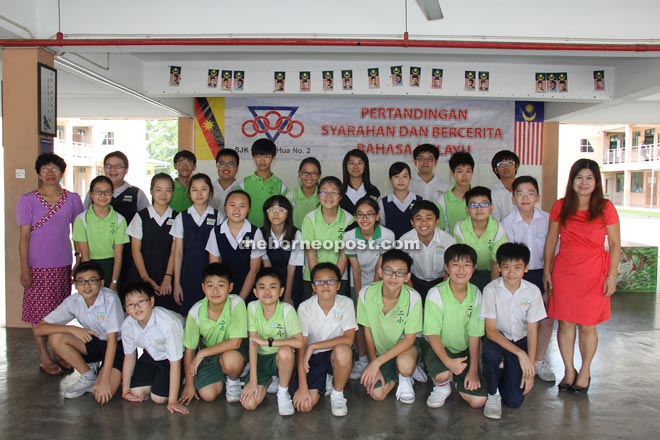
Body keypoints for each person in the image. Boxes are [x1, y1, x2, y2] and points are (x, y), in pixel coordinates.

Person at [543, 159, 621, 395]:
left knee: (587, 326)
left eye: (589, 178)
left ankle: (585, 371)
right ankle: (569, 370)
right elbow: (551, 240)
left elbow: (616, 245)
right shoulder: (560, 206)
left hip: (594, 273)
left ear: (596, 182)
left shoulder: (606, 207)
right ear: (572, 180)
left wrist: (612, 276)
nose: (583, 182)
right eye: (579, 177)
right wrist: (547, 270)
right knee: (565, 323)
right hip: (565, 271)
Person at [17, 153, 84, 375]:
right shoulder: (27, 200)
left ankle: (58, 352)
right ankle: (44, 357)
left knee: (60, 313)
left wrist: (79, 259)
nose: (50, 173)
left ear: (62, 172)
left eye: (54, 169)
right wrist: (24, 269)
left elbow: (79, 232)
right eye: (45, 169)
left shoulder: (73, 199)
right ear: (38, 173)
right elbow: (24, 236)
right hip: (36, 267)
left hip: (63, 265)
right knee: (39, 314)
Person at [34, 261, 124, 402]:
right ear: (75, 284)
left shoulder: (110, 299)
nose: (86, 286)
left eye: (92, 281)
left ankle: (104, 372)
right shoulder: (73, 301)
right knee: (56, 337)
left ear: (101, 283)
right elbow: (39, 329)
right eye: (81, 281)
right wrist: (72, 328)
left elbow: (112, 342)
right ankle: (88, 376)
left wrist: (105, 379)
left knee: (101, 396)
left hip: (117, 347)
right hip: (95, 342)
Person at [480, 243, 546, 419]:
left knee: (514, 401)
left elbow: (533, 330)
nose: (511, 273)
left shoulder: (533, 291)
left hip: (521, 340)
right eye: (506, 267)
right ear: (499, 268)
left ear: (526, 268)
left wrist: (529, 369)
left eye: (517, 267)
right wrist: (520, 355)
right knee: (490, 353)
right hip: (498, 339)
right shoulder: (491, 290)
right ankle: (493, 394)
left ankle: (502, 371)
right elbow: (491, 331)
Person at [501, 176, 555, 382]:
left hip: (543, 273)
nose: (525, 198)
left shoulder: (548, 219)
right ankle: (513, 357)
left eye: (530, 193)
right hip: (516, 275)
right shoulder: (506, 223)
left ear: (537, 196)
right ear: (513, 197)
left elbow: (555, 251)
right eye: (520, 193)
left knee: (546, 320)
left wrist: (549, 280)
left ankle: (539, 361)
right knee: (517, 319)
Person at [422, 244, 487, 410]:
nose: (461, 269)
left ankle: (456, 379)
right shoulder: (436, 293)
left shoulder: (476, 294)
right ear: (446, 268)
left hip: (462, 351)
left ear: (473, 268)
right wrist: (447, 362)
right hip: (438, 348)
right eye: (455, 264)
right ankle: (442, 385)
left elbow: (474, 334)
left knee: (478, 401)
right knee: (444, 373)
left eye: (466, 265)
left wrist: (473, 369)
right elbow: (433, 334)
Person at [356, 250, 423, 404]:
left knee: (405, 364)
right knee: (377, 394)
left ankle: (406, 375)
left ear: (407, 277)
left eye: (400, 273)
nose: (393, 277)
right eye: (389, 271)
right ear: (380, 272)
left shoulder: (413, 298)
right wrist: (375, 363)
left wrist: (376, 363)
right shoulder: (365, 294)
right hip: (382, 353)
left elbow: (409, 339)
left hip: (405, 348)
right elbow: (368, 333)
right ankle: (398, 371)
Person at [340, 197, 395, 379]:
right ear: (355, 218)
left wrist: (372, 294)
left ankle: (380, 357)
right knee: (359, 321)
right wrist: (359, 298)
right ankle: (362, 359)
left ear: (377, 216)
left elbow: (381, 266)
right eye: (360, 215)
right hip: (357, 282)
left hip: (380, 281)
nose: (365, 219)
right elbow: (354, 268)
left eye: (369, 214)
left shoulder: (387, 235)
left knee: (376, 321)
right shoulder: (349, 236)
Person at [293, 263, 357, 416]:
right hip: (312, 358)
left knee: (343, 351)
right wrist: (302, 387)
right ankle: (326, 379)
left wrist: (313, 346)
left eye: (331, 281)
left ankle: (337, 394)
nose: (325, 285)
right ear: (313, 287)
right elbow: (301, 347)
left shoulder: (346, 303)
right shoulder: (304, 307)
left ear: (338, 285)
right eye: (319, 282)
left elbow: (349, 339)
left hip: (334, 354)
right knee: (305, 405)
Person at [179, 263, 247, 404]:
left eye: (221, 285)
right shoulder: (195, 312)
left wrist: (202, 353)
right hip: (211, 353)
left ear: (230, 287)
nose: (215, 290)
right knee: (208, 395)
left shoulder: (236, 303)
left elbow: (236, 342)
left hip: (233, 350)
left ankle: (233, 379)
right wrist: (189, 384)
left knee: (231, 360)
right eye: (210, 286)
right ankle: (222, 373)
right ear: (203, 288)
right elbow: (190, 350)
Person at [240, 268, 304, 416]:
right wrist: (253, 380)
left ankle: (282, 392)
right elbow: (253, 342)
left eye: (272, 287)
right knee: (249, 404)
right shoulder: (252, 307)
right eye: (262, 287)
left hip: (280, 359)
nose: (267, 291)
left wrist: (268, 342)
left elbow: (299, 342)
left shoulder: (287, 310)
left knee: (286, 351)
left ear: (281, 291)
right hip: (261, 359)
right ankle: (269, 379)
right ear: (255, 292)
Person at [84, 151, 149, 291]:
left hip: (129, 255)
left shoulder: (136, 194)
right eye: (108, 166)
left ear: (126, 170)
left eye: (118, 166)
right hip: (98, 254)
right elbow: (83, 224)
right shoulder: (92, 194)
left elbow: (147, 224)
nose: (113, 170)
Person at [121, 282, 188, 414]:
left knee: (158, 398)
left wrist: (172, 401)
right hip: (152, 353)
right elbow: (129, 357)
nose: (137, 308)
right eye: (131, 304)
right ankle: (158, 379)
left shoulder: (168, 323)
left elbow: (175, 363)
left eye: (141, 302)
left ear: (151, 301)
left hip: (176, 356)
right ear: (126, 309)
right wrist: (125, 390)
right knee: (136, 392)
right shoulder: (127, 325)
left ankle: (181, 377)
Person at [126, 173, 179, 312]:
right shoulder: (141, 216)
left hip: (166, 273)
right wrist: (145, 277)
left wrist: (168, 278)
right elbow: (135, 250)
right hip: (141, 272)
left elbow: (175, 250)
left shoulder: (177, 217)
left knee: (165, 314)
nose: (163, 194)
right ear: (151, 191)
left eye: (168, 190)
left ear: (173, 193)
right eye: (158, 189)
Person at [171, 173, 219, 315]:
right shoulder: (181, 217)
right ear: (189, 193)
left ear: (210, 192)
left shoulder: (219, 216)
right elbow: (178, 252)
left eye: (203, 189)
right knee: (189, 315)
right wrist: (177, 283)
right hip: (187, 275)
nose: (199, 194)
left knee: (210, 315)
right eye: (194, 189)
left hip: (211, 276)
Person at [207, 190, 267, 303]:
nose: (236, 210)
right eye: (232, 205)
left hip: (249, 288)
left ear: (249, 209)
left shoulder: (255, 233)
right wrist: (222, 294)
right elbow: (214, 268)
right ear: (225, 207)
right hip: (223, 288)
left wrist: (240, 300)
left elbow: (254, 270)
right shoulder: (215, 232)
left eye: (242, 206)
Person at [73, 176, 130, 290]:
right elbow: (85, 256)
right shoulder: (81, 219)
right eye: (98, 192)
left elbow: (118, 255)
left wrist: (114, 282)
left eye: (107, 192)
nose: (103, 195)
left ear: (112, 194)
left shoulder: (119, 220)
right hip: (90, 264)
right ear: (91, 194)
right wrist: (89, 280)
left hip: (111, 265)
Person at [301, 176, 353, 299]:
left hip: (340, 277)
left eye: (334, 192)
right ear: (318, 195)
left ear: (340, 196)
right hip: (312, 278)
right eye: (324, 192)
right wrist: (317, 282)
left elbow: (344, 255)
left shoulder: (349, 220)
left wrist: (333, 281)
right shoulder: (310, 219)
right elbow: (311, 253)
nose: (328, 197)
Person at [453, 186, 508, 291]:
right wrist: (467, 291)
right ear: (467, 209)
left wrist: (492, 290)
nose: (479, 208)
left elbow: (495, 262)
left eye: (484, 204)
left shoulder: (498, 228)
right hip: (466, 272)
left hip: (492, 272)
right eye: (473, 205)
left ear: (491, 208)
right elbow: (462, 260)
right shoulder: (459, 228)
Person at [400, 201, 456, 300]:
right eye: (418, 218)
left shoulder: (448, 241)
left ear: (437, 221)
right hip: (413, 282)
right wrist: (412, 296)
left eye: (429, 218)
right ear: (412, 223)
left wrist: (441, 294)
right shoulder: (405, 241)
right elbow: (403, 270)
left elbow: (450, 272)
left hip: (441, 282)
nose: (423, 223)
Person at [261, 195, 304, 307]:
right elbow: (267, 265)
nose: (276, 214)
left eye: (281, 210)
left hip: (292, 280)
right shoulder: (260, 233)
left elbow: (291, 268)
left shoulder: (296, 234)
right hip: (268, 280)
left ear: (288, 213)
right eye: (271, 210)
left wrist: (287, 296)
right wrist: (272, 291)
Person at [237, 138, 291, 228]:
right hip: (248, 231)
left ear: (273, 158)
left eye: (266, 156)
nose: (262, 161)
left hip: (271, 232)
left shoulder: (281, 186)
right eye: (258, 156)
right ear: (253, 157)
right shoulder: (244, 184)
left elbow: (285, 212)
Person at [378, 162, 423, 239]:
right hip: (391, 247)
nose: (401, 180)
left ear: (409, 178)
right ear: (390, 179)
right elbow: (381, 227)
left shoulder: (419, 201)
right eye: (396, 176)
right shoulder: (382, 203)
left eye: (405, 176)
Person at [436, 151, 474, 233]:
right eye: (460, 171)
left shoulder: (479, 198)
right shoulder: (442, 200)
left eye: (468, 171)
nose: (464, 175)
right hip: (452, 244)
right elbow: (440, 230)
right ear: (452, 173)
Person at [340, 149, 381, 215]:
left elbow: (379, 218)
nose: (356, 166)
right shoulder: (338, 192)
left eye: (360, 163)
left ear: (365, 166)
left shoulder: (374, 192)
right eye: (352, 163)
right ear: (346, 166)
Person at [490, 150, 520, 221]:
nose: (506, 167)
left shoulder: (526, 188)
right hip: (503, 230)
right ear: (496, 170)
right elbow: (495, 219)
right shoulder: (493, 193)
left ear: (516, 166)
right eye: (501, 164)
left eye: (510, 163)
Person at [292, 157, 321, 230]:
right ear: (299, 174)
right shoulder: (290, 196)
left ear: (319, 176)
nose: (309, 177)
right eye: (305, 172)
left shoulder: (324, 196)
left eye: (314, 173)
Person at [210, 148, 240, 219]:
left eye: (230, 164)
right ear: (217, 166)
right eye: (222, 164)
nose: (226, 167)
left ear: (237, 168)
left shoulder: (241, 189)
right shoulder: (209, 189)